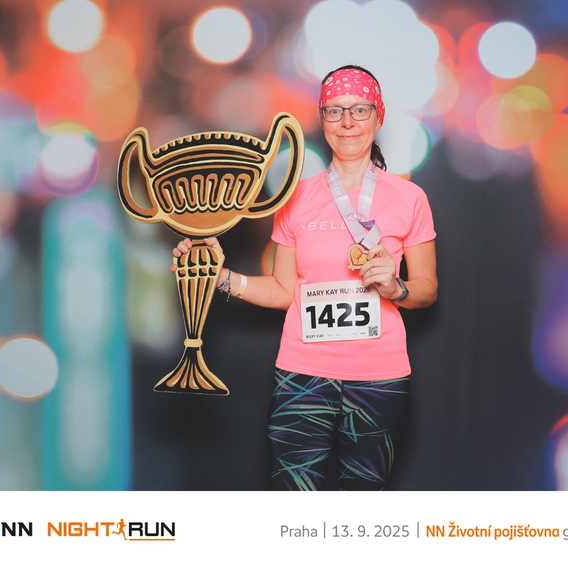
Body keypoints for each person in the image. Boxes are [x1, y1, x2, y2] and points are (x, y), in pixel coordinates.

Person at [171, 65, 438, 490]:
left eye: (360, 110)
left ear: (378, 116)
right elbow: (284, 290)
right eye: (334, 111)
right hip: (302, 377)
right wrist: (220, 277)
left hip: (380, 378)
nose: (347, 122)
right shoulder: (294, 198)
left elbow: (427, 291)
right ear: (322, 119)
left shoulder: (409, 198)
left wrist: (396, 287)